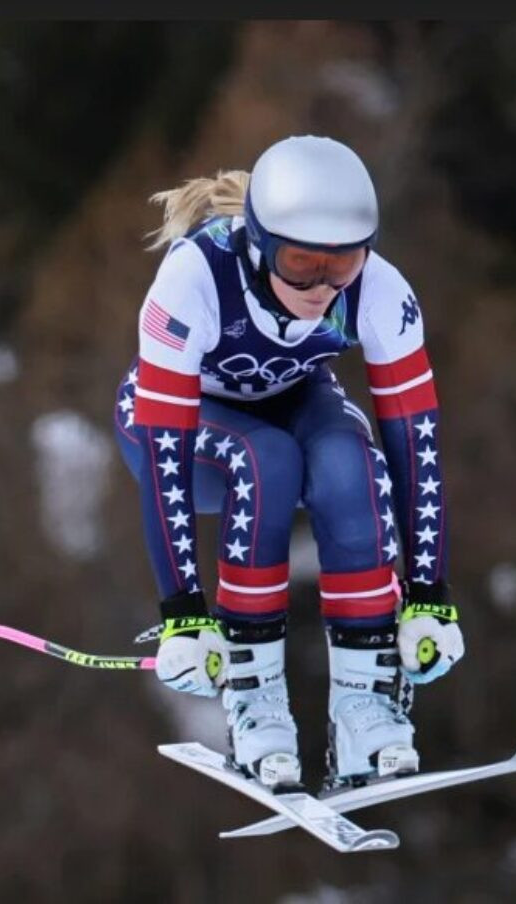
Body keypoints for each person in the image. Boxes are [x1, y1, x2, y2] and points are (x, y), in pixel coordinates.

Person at [112, 135, 464, 790]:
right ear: (259, 244)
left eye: (343, 264)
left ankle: (365, 710)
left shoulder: (380, 290)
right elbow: (166, 453)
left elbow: (415, 445)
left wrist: (429, 596)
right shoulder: (194, 280)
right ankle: (256, 703)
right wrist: (183, 611)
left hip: (292, 399)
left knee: (350, 463)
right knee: (266, 459)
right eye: (300, 264)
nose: (322, 287)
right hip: (181, 431)